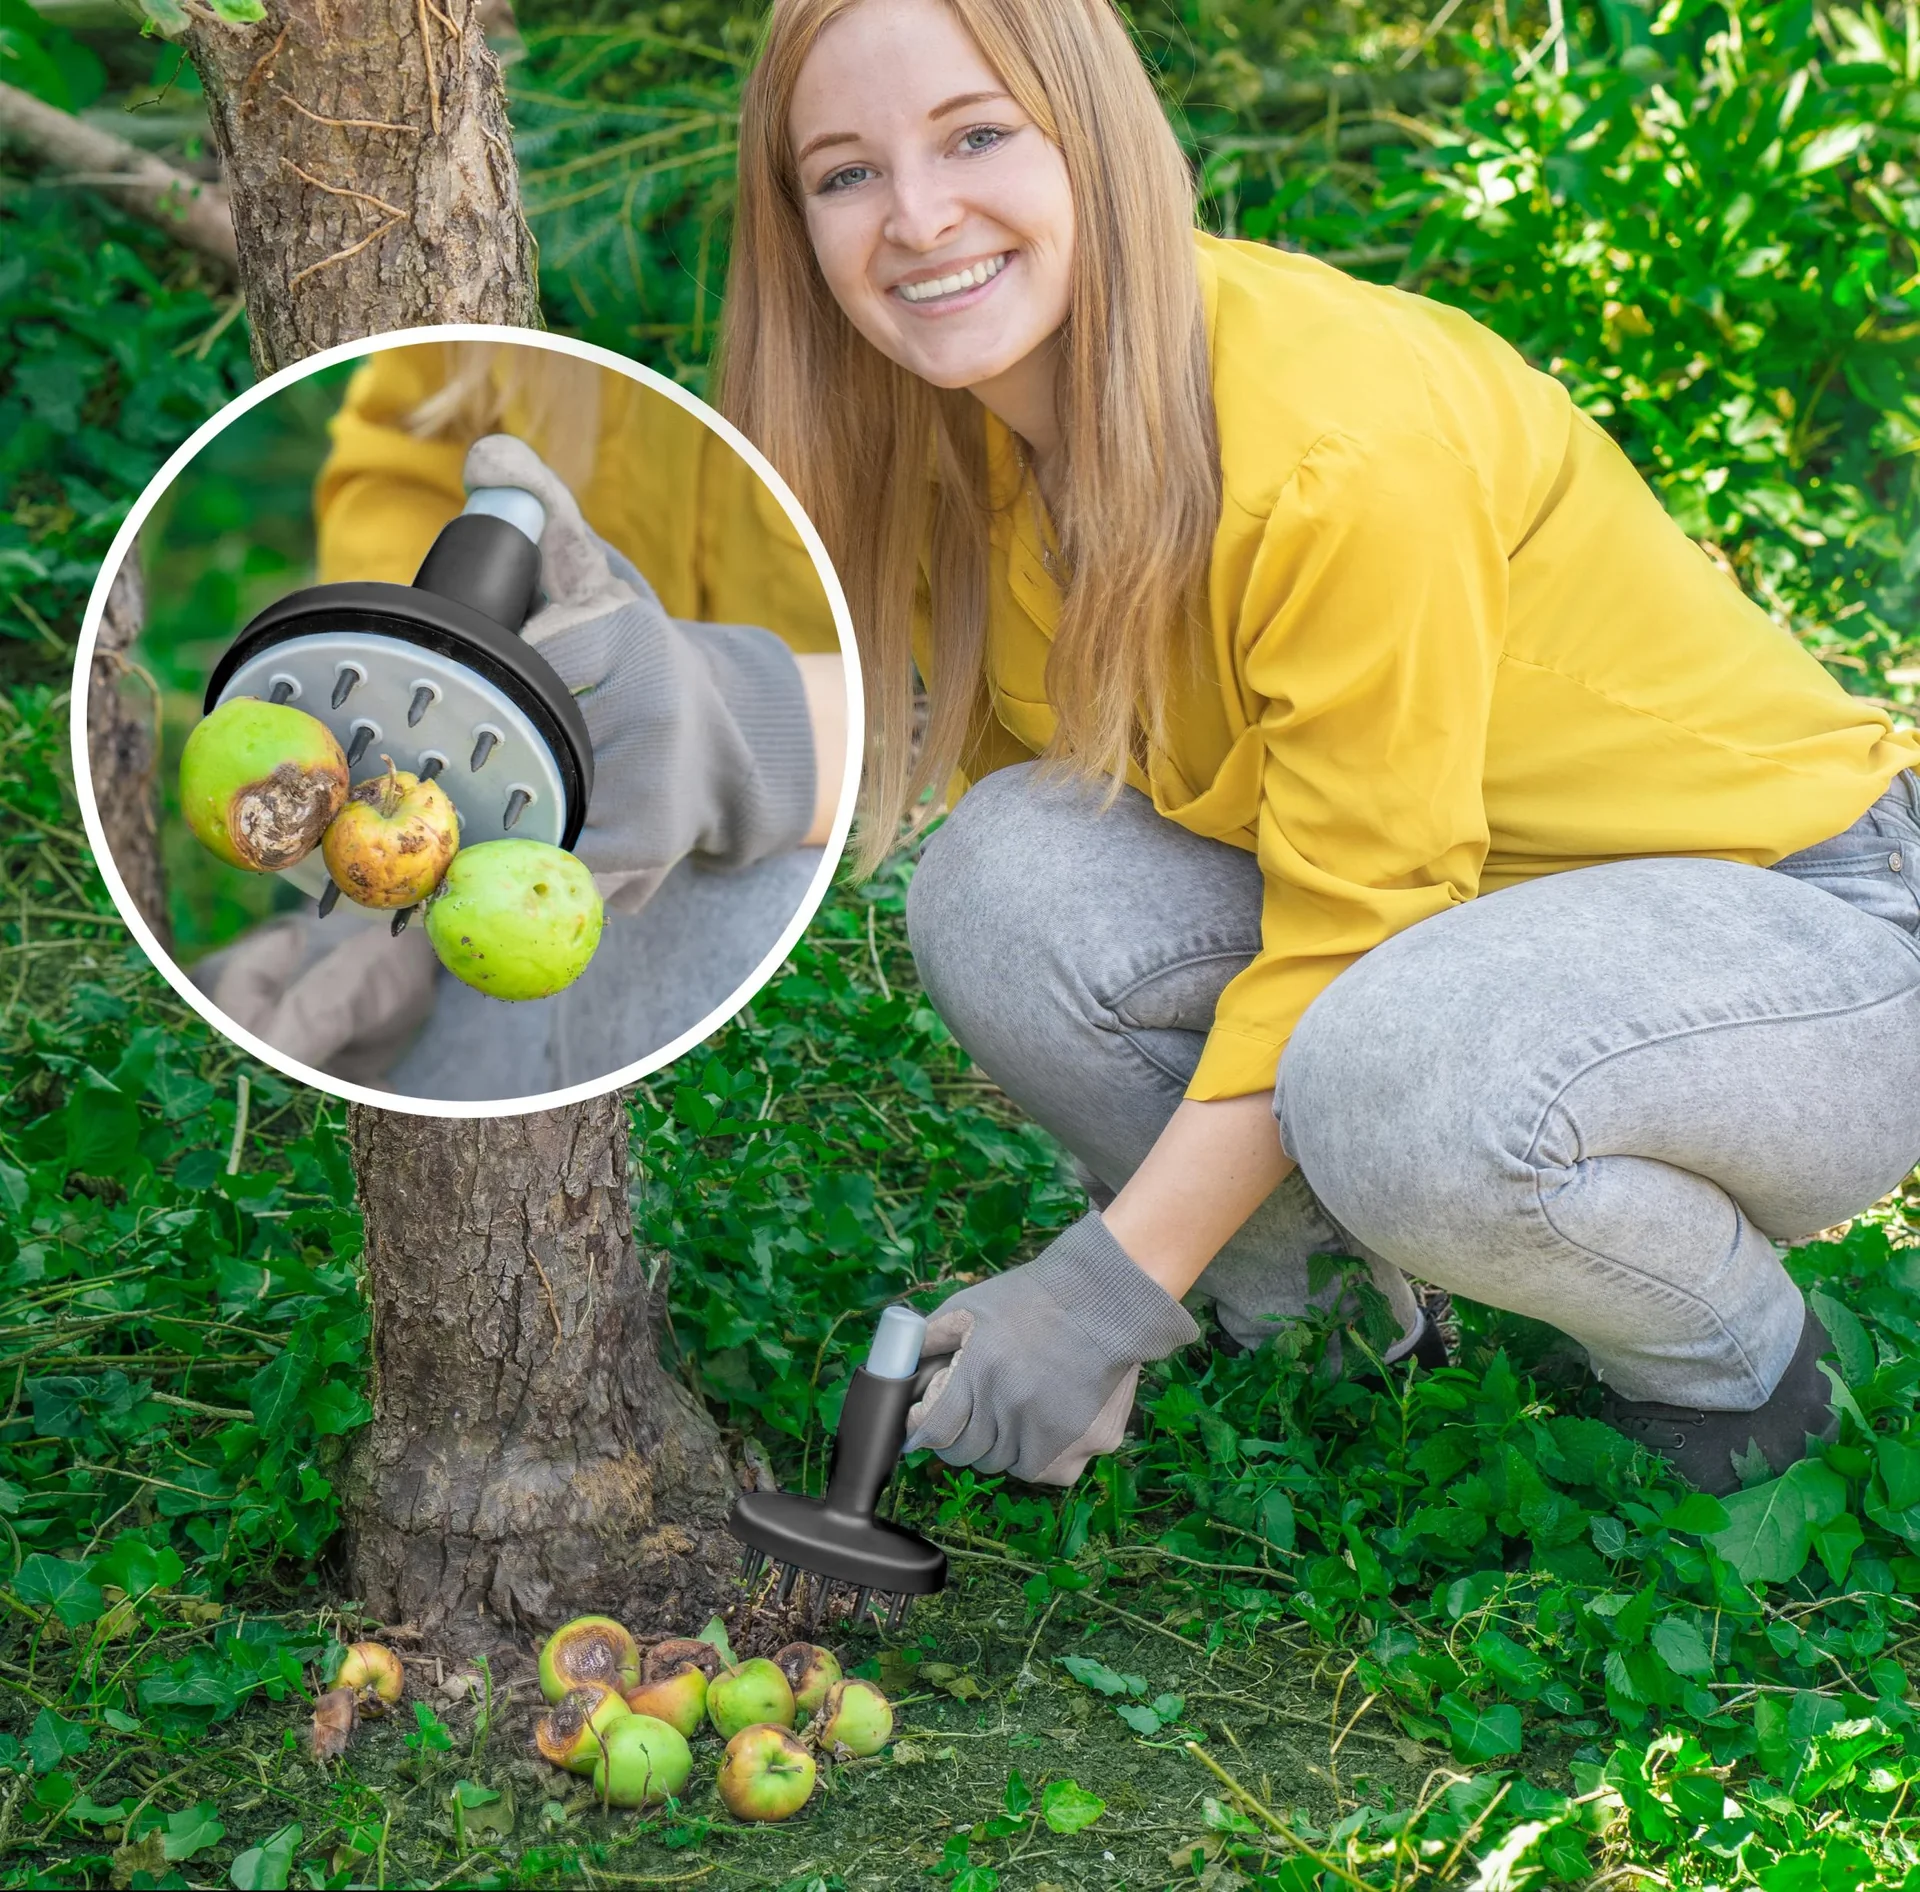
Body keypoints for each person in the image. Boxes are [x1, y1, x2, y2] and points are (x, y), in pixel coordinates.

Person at [715, 0, 1920, 1496]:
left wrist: (1097, 1296)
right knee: (1005, 876)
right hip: (1461, 933)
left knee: (1394, 1071)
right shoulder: (951, 431)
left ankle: (1733, 1368)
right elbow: (1017, 777)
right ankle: (1335, 1337)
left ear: (1093, 137)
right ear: (797, 227)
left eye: (977, 134)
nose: (919, 214)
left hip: (1804, 935)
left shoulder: (1335, 452)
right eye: (846, 173)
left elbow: (1364, 931)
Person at [190, 343, 852, 1101]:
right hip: (508, 858)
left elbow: (979, 715)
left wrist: (741, 728)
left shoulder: (930, 327)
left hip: (820, 816)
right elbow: (407, 451)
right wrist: (403, 848)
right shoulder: (515, 292)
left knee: (742, 916)